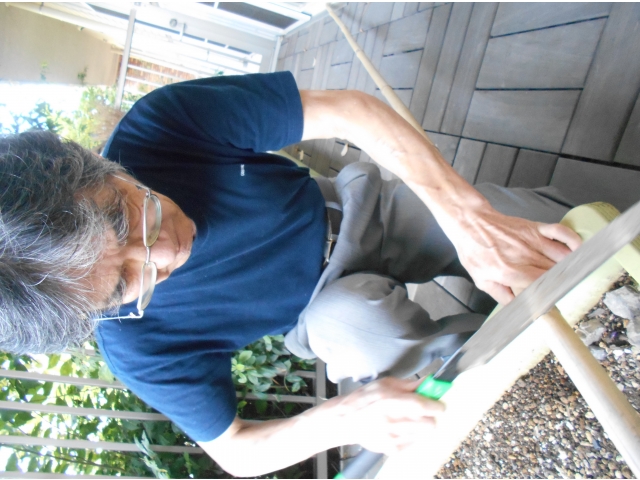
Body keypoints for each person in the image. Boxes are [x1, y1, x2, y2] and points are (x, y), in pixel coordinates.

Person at [0, 71, 581, 476]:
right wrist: (345, 417)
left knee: (550, 242)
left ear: (96, 165)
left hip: (360, 210)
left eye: (129, 218)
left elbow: (352, 110)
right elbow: (236, 451)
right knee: (359, 332)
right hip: (326, 305)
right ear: (101, 309)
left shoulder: (159, 127)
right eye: (126, 283)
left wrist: (470, 220)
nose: (165, 253)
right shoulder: (135, 344)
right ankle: (524, 363)